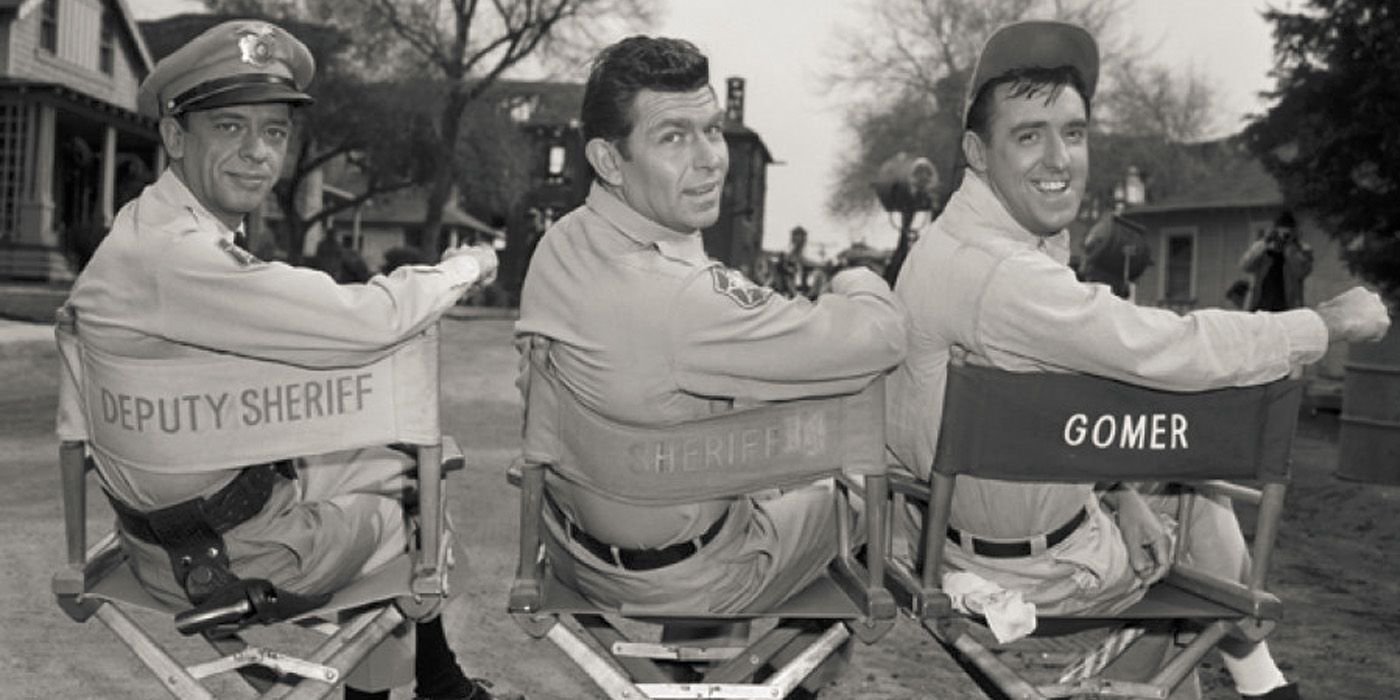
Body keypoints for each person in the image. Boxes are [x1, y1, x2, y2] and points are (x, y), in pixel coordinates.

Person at [884, 20, 1390, 700]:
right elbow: (1168, 351)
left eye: (1074, 132)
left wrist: (1120, 490)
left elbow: (1055, 416)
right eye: (1028, 135)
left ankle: (1257, 683)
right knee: (1200, 499)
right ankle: (1263, 683)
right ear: (977, 151)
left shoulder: (955, 244)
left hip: (951, 530)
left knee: (1174, 493)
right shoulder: (1004, 278)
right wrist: (1321, 324)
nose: (1059, 157)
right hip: (1040, 573)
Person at [64, 20, 503, 700]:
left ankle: (442, 687)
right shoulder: (180, 259)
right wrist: (464, 267)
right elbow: (373, 321)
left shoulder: (145, 230)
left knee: (384, 457)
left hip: (175, 524)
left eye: (273, 132)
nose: (256, 152)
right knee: (417, 488)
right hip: (223, 552)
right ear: (177, 137)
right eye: (230, 127)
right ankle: (424, 689)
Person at [514, 35, 906, 692]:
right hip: (686, 576)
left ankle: (703, 670)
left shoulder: (561, 243)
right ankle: (781, 684)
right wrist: (857, 280)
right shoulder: (684, 298)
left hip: (573, 544)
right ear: (610, 159)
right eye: (674, 138)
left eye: (713, 130)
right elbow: (878, 338)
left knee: (728, 483)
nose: (709, 160)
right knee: (870, 508)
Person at [1240, 211, 1314, 312]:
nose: (1284, 237)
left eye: (1288, 233)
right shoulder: (1264, 250)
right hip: (1260, 305)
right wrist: (1265, 242)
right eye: (1281, 232)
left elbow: (1301, 272)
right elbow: (1245, 265)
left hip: (1287, 308)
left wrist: (1290, 248)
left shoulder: (1302, 251)